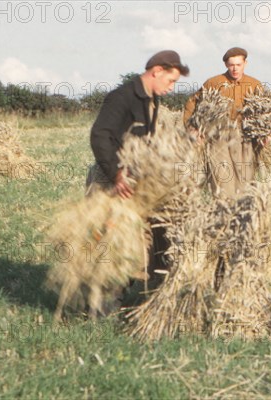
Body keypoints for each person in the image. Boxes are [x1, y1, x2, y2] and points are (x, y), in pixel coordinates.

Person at [87, 50, 190, 298]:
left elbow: (146, 142)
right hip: (110, 181)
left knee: (137, 242)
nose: (172, 87)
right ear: (156, 71)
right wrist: (117, 175)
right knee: (110, 242)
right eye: (170, 80)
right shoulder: (122, 98)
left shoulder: (151, 101)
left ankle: (119, 293)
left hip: (134, 181)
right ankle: (100, 305)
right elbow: (100, 136)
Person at [183, 46, 263, 197]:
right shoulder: (213, 83)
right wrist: (192, 129)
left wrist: (266, 134)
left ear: (245, 63)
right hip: (218, 138)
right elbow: (192, 104)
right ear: (226, 64)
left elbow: (266, 111)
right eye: (231, 65)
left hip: (245, 140)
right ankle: (222, 214)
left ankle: (242, 215)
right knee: (221, 183)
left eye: (238, 65)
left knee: (245, 184)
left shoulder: (254, 85)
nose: (235, 69)